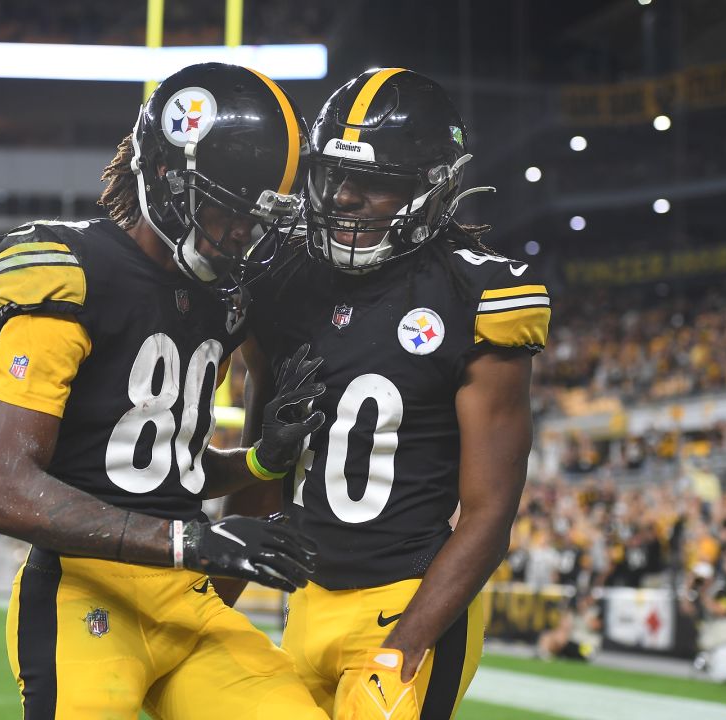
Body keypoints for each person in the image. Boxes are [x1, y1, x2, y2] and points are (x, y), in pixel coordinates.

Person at [0, 63, 330, 720]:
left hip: (185, 602)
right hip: (86, 594)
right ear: (169, 182)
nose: (247, 236)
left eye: (262, 220)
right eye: (232, 212)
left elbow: (159, 466)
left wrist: (257, 461)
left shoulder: (227, 298)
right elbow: (1, 488)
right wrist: (191, 542)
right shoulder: (72, 272)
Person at [221, 68, 552, 720]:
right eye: (335, 176)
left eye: (373, 181)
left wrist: (402, 649)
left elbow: (489, 516)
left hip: (408, 601)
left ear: (431, 189)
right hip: (305, 600)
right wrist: (211, 600)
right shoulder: (284, 283)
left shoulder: (475, 297)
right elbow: (266, 468)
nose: (343, 196)